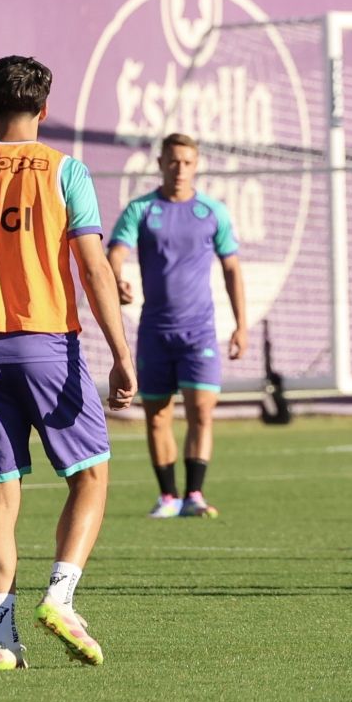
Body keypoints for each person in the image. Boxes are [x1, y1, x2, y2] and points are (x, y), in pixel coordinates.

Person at [0, 55, 135, 671]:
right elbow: (93, 268)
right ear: (44, 111)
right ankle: (61, 597)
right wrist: (121, 354)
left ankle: (1, 640)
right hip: (47, 347)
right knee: (90, 477)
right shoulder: (66, 171)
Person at [107, 133, 247, 519]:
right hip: (155, 331)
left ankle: (195, 494)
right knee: (157, 414)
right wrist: (116, 278)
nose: (179, 168)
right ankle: (168, 497)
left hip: (199, 331)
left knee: (201, 410)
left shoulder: (212, 212)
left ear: (196, 164)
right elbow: (115, 252)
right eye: (173, 161)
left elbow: (232, 268)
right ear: (160, 163)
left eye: (187, 162)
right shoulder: (141, 210)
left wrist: (241, 325)